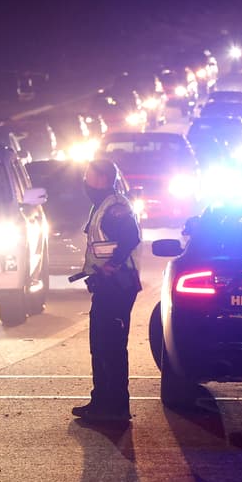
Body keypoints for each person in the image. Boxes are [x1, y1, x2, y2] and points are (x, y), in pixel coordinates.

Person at [71, 158, 142, 424]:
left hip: (117, 285)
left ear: (101, 179)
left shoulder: (115, 207)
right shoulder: (102, 205)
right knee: (100, 345)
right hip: (106, 285)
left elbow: (129, 238)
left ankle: (114, 407)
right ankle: (101, 401)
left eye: (88, 175)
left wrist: (111, 266)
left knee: (110, 346)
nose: (85, 180)